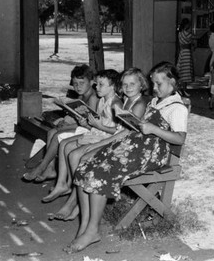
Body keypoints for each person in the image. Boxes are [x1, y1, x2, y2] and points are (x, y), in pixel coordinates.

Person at [66, 62, 188, 254]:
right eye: (153, 84)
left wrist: (153, 129)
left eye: (158, 84)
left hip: (151, 154)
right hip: (137, 146)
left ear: (172, 81)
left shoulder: (177, 108)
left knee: (100, 172)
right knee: (87, 164)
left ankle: (92, 230)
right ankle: (87, 225)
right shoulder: (158, 100)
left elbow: (180, 138)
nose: (154, 88)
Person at [45, 68, 148, 221]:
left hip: (124, 146)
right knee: (74, 154)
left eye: (132, 84)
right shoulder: (127, 100)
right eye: (125, 84)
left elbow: (125, 133)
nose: (128, 87)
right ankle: (76, 198)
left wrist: (98, 137)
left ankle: (75, 201)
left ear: (142, 84)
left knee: (79, 156)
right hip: (115, 140)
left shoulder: (137, 104)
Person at [41, 69, 123, 207]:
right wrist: (88, 124)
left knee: (71, 151)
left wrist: (98, 126)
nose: (96, 87)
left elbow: (118, 131)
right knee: (65, 145)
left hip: (109, 138)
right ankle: (65, 183)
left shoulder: (116, 104)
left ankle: (76, 191)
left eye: (101, 85)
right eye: (96, 84)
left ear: (113, 86)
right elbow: (98, 123)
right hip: (98, 133)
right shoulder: (103, 100)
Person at [22, 64, 98, 182]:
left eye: (82, 83)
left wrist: (68, 126)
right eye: (75, 84)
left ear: (92, 82)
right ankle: (50, 169)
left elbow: (90, 124)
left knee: (57, 135)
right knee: (51, 132)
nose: (78, 87)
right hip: (80, 126)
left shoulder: (92, 98)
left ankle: (41, 167)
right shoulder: (82, 95)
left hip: (89, 130)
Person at [176, 18, 194, 85]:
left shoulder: (180, 33)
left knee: (182, 69)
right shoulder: (188, 34)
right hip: (187, 53)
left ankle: (182, 87)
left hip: (182, 52)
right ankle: (184, 87)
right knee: (187, 70)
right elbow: (192, 41)